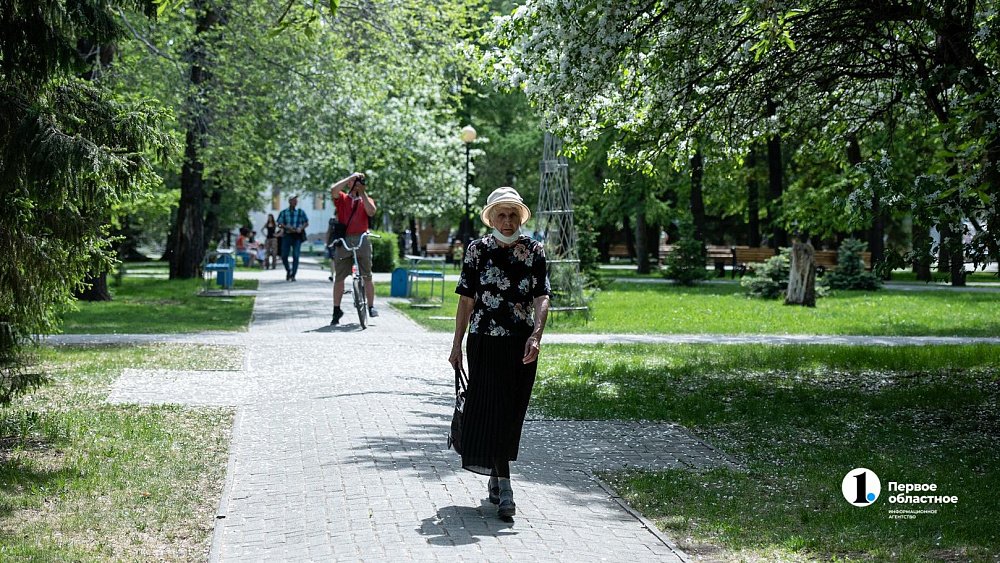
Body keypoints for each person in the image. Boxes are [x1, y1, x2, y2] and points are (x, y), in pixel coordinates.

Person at [448, 186, 551, 521]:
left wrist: (537, 335)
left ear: (519, 218)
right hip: (484, 340)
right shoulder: (477, 250)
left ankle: (496, 473)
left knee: (511, 410)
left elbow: (542, 296)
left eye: (512, 214)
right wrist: (456, 346)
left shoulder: (534, 250)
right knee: (491, 408)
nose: (507, 221)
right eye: (500, 214)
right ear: (491, 217)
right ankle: (505, 486)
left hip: (521, 344)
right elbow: (466, 300)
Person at [328, 172, 377, 324]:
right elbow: (333, 190)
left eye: (359, 181)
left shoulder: (366, 199)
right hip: (345, 240)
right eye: (353, 182)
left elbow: (371, 212)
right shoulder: (343, 199)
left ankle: (370, 306)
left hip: (362, 238)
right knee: (340, 276)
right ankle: (336, 310)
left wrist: (362, 192)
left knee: (367, 275)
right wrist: (350, 178)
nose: (355, 184)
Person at [277, 194, 309, 281]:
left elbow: (306, 223)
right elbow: (279, 223)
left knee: (296, 255)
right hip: (287, 235)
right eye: (294, 200)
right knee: (284, 256)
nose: (295, 202)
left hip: (297, 236)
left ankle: (293, 275)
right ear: (289, 201)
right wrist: (286, 227)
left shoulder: (300, 212)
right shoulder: (284, 212)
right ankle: (288, 270)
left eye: (296, 201)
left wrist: (300, 228)